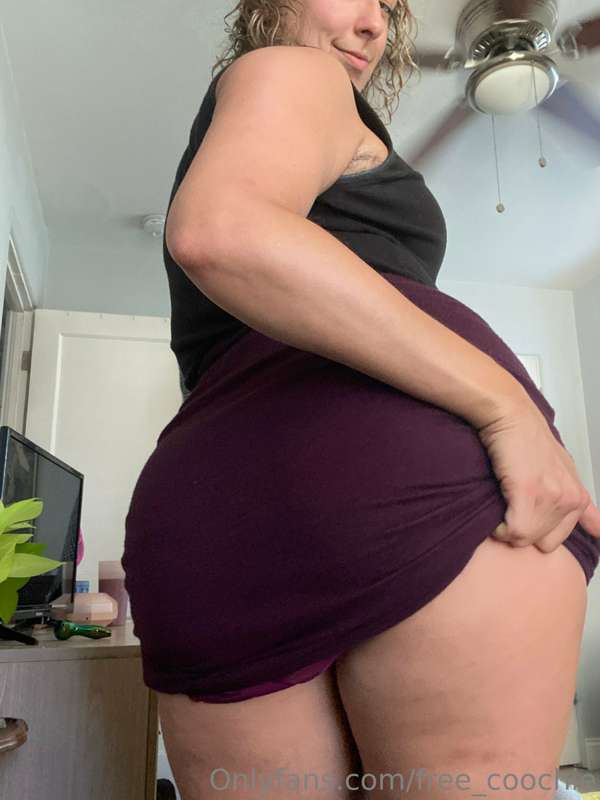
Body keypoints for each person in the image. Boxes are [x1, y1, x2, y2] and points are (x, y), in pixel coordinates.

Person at [121, 1, 600, 798]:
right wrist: (506, 407)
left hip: (214, 528)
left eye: (388, 8)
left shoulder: (272, 106)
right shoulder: (294, 69)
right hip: (420, 502)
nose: (376, 24)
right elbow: (222, 229)